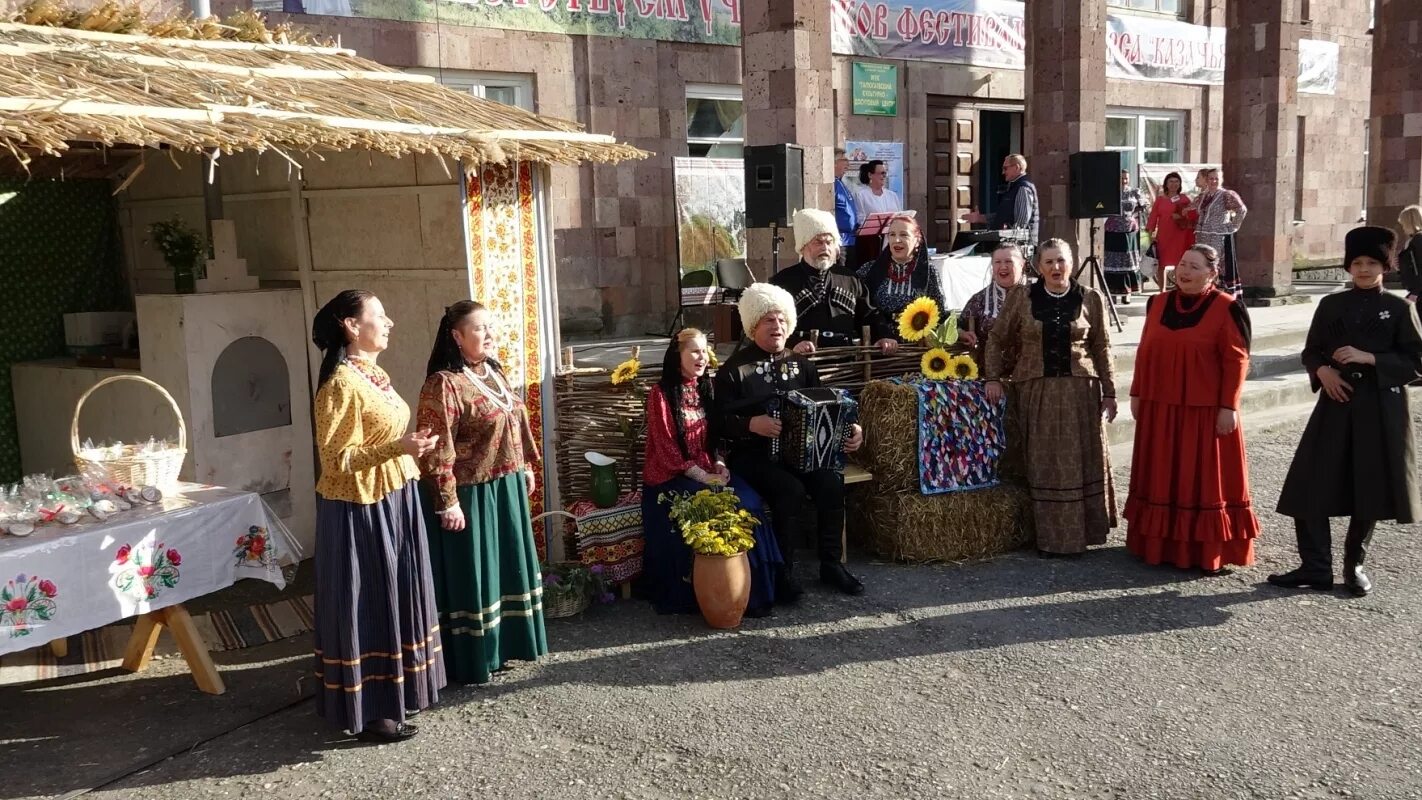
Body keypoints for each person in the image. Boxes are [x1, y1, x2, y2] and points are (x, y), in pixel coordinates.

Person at [310, 289, 445, 743]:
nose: (389, 323)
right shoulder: (339, 385)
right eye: (379, 316)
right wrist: (399, 447)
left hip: (394, 496)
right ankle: (371, 710)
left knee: (397, 596)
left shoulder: (372, 374)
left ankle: (397, 696)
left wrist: (410, 448)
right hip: (360, 509)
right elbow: (337, 460)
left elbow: (378, 437)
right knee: (370, 602)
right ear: (351, 325)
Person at [1270, 226, 1422, 597]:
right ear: (1348, 266)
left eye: (1372, 262)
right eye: (1357, 263)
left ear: (1385, 265)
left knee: (1367, 485)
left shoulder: (1400, 308)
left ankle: (1354, 565)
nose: (1364, 269)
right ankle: (1315, 565)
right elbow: (1312, 350)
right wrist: (1322, 371)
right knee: (1308, 481)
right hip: (1335, 403)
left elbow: (1417, 362)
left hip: (1380, 408)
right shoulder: (1330, 305)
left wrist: (1369, 357)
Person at [415, 301, 547, 685]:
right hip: (470, 495)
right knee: (476, 574)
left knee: (506, 568)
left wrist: (524, 464)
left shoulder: (492, 372)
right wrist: (447, 500)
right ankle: (475, 656)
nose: (489, 335)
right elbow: (438, 446)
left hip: (504, 488)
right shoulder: (444, 384)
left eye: (491, 327)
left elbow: (514, 422)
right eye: (479, 329)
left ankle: (507, 646)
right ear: (456, 336)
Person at [715, 283, 867, 596]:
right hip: (752, 457)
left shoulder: (803, 366)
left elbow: (830, 408)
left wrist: (852, 430)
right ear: (754, 325)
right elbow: (716, 423)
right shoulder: (734, 370)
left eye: (783, 320)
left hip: (801, 455)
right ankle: (785, 571)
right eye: (769, 320)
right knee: (790, 489)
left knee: (830, 482)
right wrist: (750, 424)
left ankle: (831, 565)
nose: (778, 326)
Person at [1123, 245, 1259, 575]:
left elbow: (1236, 360)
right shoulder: (1157, 303)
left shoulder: (1227, 308)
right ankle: (1158, 544)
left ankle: (1203, 549)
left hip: (1204, 413)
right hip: (1160, 410)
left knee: (1200, 480)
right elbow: (1144, 353)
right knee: (1162, 475)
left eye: (1194, 267)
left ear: (1212, 274)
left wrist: (1230, 405)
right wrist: (1137, 393)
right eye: (1181, 263)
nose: (1183, 271)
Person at [984, 239, 1117, 557]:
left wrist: (1110, 392)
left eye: (1061, 261)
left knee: (1081, 461)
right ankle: (1048, 539)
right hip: (1037, 391)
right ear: (1038, 266)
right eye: (1049, 262)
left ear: (1072, 263)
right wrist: (992, 377)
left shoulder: (1091, 298)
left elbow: (1102, 347)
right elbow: (997, 338)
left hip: (1080, 393)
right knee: (1044, 462)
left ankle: (1083, 533)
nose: (1056, 268)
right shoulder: (1022, 296)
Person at [640, 329, 784, 616]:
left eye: (704, 351)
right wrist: (704, 478)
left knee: (750, 503)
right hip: (670, 477)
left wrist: (719, 462)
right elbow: (668, 451)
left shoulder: (708, 389)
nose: (702, 357)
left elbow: (716, 437)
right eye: (694, 351)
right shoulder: (661, 395)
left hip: (708, 470)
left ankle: (754, 593)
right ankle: (713, 592)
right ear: (676, 355)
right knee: (717, 507)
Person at [770, 208, 898, 354]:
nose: (825, 248)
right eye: (818, 242)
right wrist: (793, 343)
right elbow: (772, 326)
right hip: (802, 363)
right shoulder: (782, 282)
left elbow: (869, 314)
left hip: (846, 364)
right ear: (803, 246)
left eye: (829, 242)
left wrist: (883, 336)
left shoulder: (849, 278)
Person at [855, 214, 946, 339]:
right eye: (892, 235)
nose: (897, 240)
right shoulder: (868, 270)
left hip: (914, 349)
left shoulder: (929, 273)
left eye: (904, 235)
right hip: (878, 346)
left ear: (917, 240)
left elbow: (940, 313)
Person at [958, 242, 1028, 358]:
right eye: (997, 262)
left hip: (1030, 370)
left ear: (1022, 264)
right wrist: (962, 334)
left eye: (1008, 261)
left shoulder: (1037, 295)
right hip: (988, 371)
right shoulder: (979, 299)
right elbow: (957, 327)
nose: (1003, 266)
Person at [1186, 168, 1247, 295]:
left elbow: (1242, 210)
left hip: (1217, 235)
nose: (1213, 181)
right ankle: (1204, 288)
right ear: (1206, 180)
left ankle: (1217, 290)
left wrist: (1232, 227)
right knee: (1203, 261)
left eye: (1216, 178)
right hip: (1202, 234)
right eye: (1211, 178)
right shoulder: (1204, 196)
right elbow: (1190, 207)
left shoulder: (1226, 194)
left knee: (1215, 261)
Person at [965, 154, 1039, 247]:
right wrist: (980, 218)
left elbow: (1021, 222)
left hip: (1018, 246)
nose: (1003, 172)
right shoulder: (1014, 186)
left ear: (1016, 167)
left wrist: (1012, 243)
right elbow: (1004, 215)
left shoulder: (1023, 188)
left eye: (1005, 168)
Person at [1145, 171, 1196, 291]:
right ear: (1166, 184)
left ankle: (1179, 289)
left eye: (1176, 181)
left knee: (1179, 263)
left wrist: (1182, 216)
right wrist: (1150, 233)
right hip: (1164, 235)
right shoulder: (1160, 199)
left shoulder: (1184, 198)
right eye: (1171, 181)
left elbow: (1192, 214)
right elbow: (1153, 216)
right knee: (1161, 264)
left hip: (1180, 235)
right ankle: (1161, 290)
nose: (1174, 184)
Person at [1104, 170, 1145, 304]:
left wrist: (1131, 216)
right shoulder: (1110, 192)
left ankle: (1127, 293)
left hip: (1129, 230)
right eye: (1121, 178)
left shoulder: (1134, 192)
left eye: (1126, 178)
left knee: (1128, 259)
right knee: (1112, 259)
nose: (1124, 181)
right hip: (1112, 229)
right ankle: (1113, 292)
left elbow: (1143, 205)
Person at [833, 148, 859, 253]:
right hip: (840, 241)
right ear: (834, 163)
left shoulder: (840, 182)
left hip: (850, 240)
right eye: (844, 160)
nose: (847, 165)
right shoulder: (831, 184)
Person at [1398, 204, 1422, 303]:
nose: (1403, 227)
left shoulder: (1418, 240)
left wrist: (1416, 292)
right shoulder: (1415, 239)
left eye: (1403, 223)